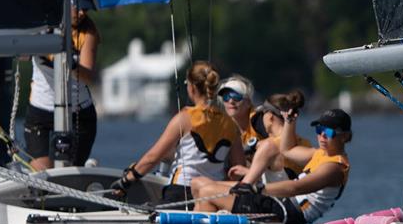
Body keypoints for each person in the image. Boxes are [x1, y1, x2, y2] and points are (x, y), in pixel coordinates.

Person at [191, 108, 352, 224]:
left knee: (208, 193)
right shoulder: (319, 153)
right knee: (199, 184)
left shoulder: (335, 168)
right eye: (319, 130)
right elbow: (287, 149)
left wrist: (256, 188)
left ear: (344, 136)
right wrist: (289, 122)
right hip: (281, 203)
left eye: (329, 132)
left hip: (288, 212)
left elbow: (294, 188)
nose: (322, 136)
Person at [111, 61, 244, 201]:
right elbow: (238, 169)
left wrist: (127, 180)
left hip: (181, 192)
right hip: (214, 195)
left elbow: (153, 157)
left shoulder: (184, 118)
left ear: (192, 88)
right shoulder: (231, 124)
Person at [24, 0, 100, 170]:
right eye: (78, 7)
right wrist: (35, 42)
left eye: (86, 9)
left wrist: (71, 63)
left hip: (78, 113)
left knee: (68, 175)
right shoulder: (42, 22)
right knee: (42, 176)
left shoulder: (88, 32)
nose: (82, 13)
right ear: (66, 2)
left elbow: (88, 75)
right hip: (41, 110)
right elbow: (22, 56)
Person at [191, 90, 313, 199]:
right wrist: (247, 172)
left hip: (272, 204)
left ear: (270, 117)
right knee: (202, 184)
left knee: (200, 186)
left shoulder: (268, 145)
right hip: (290, 203)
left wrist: (215, 189)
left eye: (262, 114)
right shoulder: (305, 145)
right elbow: (283, 176)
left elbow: (245, 188)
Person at [217, 75, 255, 150]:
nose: (231, 101)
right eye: (226, 97)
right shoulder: (222, 131)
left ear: (248, 102)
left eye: (236, 96)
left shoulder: (260, 120)